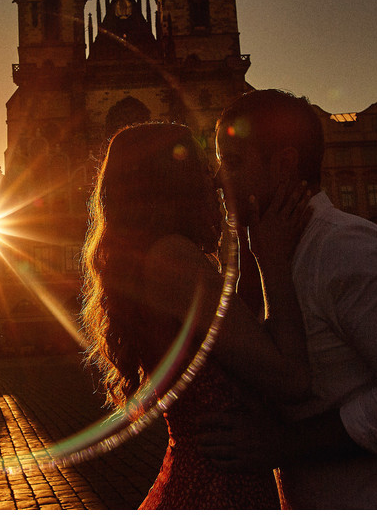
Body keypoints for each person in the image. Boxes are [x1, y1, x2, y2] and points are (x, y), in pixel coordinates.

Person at [199, 88, 377, 509]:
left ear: (285, 165)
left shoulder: (347, 248)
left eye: (232, 162)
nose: (217, 178)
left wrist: (284, 444)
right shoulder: (268, 249)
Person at [80, 122, 313, 510]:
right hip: (218, 487)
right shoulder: (173, 257)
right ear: (176, 181)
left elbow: (235, 328)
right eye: (204, 167)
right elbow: (292, 379)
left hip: (204, 474)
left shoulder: (151, 256)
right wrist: (272, 261)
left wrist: (245, 238)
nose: (217, 180)